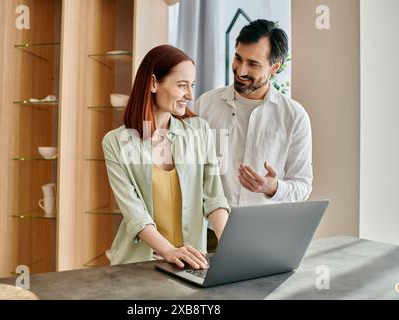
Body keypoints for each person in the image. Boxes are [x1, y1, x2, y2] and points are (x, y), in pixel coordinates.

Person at [102, 45, 230, 269]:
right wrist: (169, 251)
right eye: (182, 85)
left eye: (191, 86)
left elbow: (214, 197)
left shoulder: (200, 131)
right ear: (153, 83)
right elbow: (135, 214)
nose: (189, 95)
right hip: (139, 264)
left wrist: (230, 246)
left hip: (191, 261)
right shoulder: (115, 142)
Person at [194, 19, 313, 207]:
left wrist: (273, 188)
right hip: (209, 229)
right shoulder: (205, 104)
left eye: (253, 64)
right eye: (238, 58)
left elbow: (303, 185)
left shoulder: (294, 116)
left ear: (275, 67)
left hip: (264, 229)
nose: (241, 71)